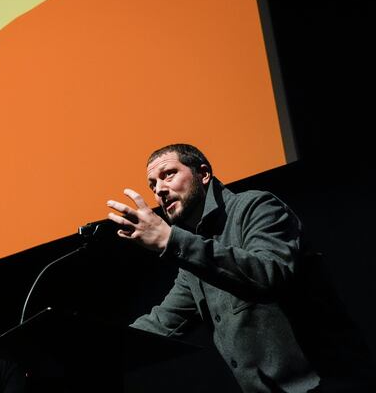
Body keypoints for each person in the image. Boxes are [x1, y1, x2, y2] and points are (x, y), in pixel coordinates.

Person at [106, 143, 374, 392]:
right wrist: (93, 350)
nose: (159, 191)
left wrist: (169, 239)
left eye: (168, 175)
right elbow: (162, 323)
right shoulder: (192, 256)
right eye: (152, 185)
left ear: (204, 174)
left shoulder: (257, 206)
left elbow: (269, 273)